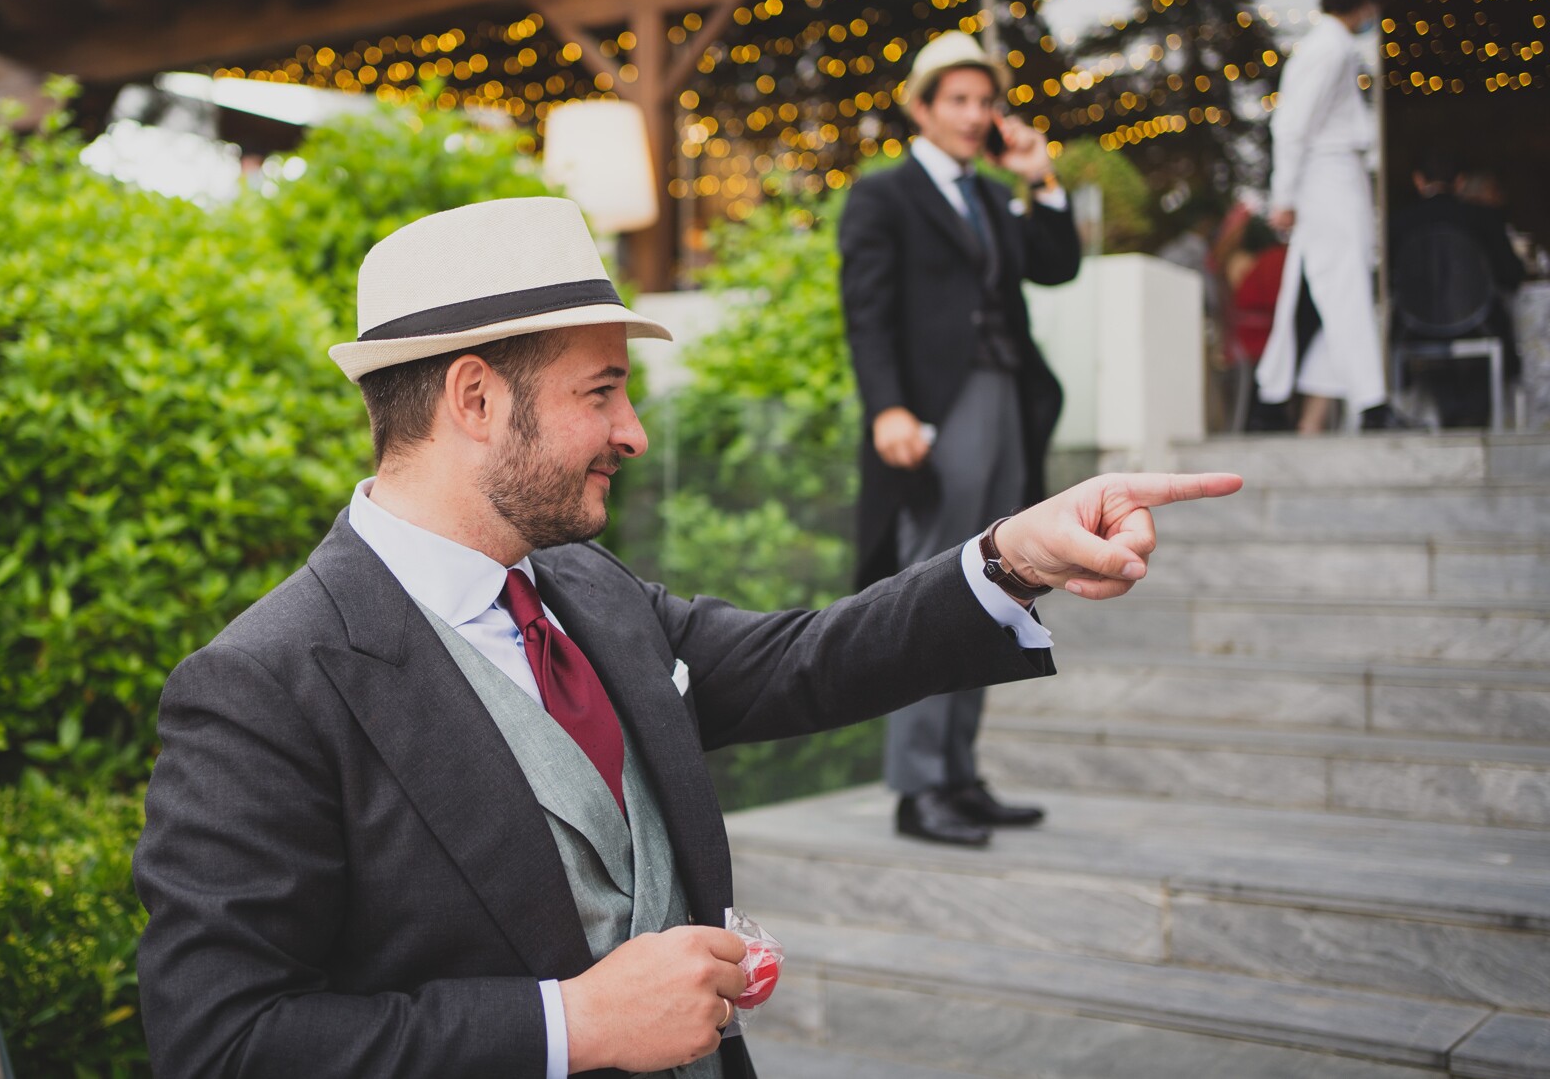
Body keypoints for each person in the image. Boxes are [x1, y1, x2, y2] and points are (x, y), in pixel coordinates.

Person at [133, 195, 1237, 1079]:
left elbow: (808, 659)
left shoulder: (588, 588)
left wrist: (1011, 556)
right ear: (473, 399)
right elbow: (222, 1042)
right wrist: (570, 1024)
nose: (634, 430)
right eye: (601, 389)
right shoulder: (260, 685)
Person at [837, 31, 1083, 846]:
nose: (977, 115)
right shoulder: (884, 195)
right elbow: (867, 313)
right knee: (939, 589)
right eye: (960, 101)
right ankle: (917, 787)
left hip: (1009, 397)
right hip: (941, 410)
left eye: (986, 102)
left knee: (1001, 584)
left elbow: (1058, 264)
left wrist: (1039, 175)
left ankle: (959, 773)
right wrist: (888, 410)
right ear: (921, 106)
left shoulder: (988, 195)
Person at [1255, 0, 1396, 433]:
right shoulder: (1330, 49)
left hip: (1329, 179)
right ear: (1364, 2)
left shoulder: (1329, 47)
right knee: (1345, 289)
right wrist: (1285, 196)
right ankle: (1371, 404)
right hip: (1327, 181)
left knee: (1322, 297)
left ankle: (1276, 404)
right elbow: (1292, 127)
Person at [1391, 152, 1525, 425]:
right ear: (1461, 182)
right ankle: (1472, 417)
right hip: (1480, 324)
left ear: (1419, 181)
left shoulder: (1398, 224)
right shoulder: (1484, 218)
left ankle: (1451, 415)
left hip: (1415, 326)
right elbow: (1512, 275)